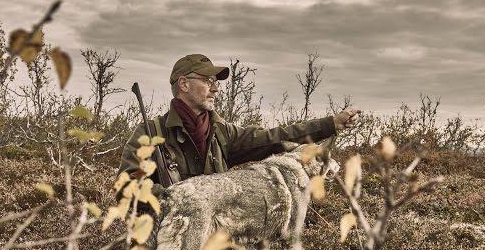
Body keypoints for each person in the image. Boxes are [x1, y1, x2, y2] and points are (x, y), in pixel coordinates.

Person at [117, 53, 360, 195]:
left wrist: (330, 123)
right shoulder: (150, 134)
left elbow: (276, 136)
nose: (215, 88)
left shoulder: (222, 132)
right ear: (183, 84)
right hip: (165, 235)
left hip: (213, 238)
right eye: (208, 80)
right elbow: (125, 190)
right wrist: (173, 199)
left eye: (217, 82)